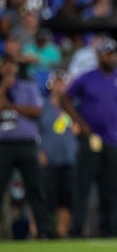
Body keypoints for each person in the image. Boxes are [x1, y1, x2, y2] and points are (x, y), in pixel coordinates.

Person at [61, 39, 117, 237]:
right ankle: (76, 228)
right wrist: (80, 123)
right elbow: (64, 98)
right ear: (98, 56)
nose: (110, 57)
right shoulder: (86, 78)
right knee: (83, 185)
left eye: (112, 53)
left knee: (116, 187)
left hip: (116, 140)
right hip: (91, 139)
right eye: (106, 53)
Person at [0, 55, 52, 239]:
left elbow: (36, 111)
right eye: (5, 66)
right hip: (4, 144)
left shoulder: (28, 86)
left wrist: (11, 106)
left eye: (12, 66)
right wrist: (4, 88)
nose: (9, 70)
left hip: (27, 143)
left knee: (36, 187)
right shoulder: (2, 88)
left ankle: (43, 230)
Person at [38, 69, 77, 238]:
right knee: (46, 198)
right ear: (51, 84)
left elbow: (80, 129)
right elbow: (36, 130)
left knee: (66, 199)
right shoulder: (42, 106)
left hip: (69, 158)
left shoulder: (74, 106)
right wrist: (39, 151)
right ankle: (41, 231)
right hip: (48, 159)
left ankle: (62, 233)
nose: (60, 86)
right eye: (57, 82)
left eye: (63, 82)